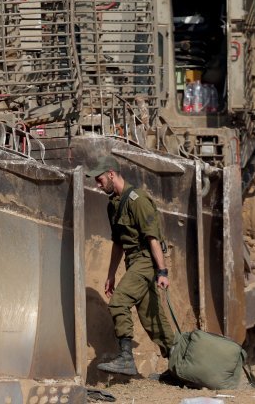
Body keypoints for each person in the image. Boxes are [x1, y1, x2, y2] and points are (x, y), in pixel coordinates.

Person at [86, 155, 175, 376]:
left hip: (146, 261)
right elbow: (118, 243)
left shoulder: (138, 200)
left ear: (111, 174)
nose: (97, 185)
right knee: (150, 317)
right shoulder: (113, 206)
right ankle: (179, 364)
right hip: (132, 262)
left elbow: (153, 238)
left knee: (118, 303)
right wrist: (111, 275)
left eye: (99, 180)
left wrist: (162, 271)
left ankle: (126, 358)